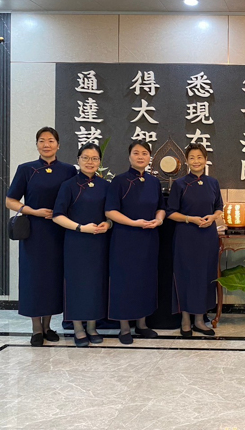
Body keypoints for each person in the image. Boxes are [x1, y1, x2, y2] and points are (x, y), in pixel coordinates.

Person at [5, 127, 77, 346]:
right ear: (37, 144)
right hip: (34, 233)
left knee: (53, 279)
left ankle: (48, 326)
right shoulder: (26, 169)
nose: (47, 144)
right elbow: (10, 200)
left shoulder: (69, 171)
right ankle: (36, 329)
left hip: (59, 233)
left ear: (58, 144)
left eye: (51, 140)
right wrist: (33, 211)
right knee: (34, 279)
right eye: (42, 141)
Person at [105, 140, 166, 344]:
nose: (141, 157)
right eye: (136, 153)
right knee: (125, 282)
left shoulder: (154, 182)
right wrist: (133, 223)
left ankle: (142, 325)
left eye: (144, 153)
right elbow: (110, 211)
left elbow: (161, 207)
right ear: (129, 156)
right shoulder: (119, 181)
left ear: (150, 158)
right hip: (125, 239)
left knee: (145, 280)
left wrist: (159, 220)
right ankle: (124, 328)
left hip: (148, 238)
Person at [52, 143, 111, 347]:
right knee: (77, 285)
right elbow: (57, 216)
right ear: (78, 160)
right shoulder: (68, 185)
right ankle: (78, 328)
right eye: (85, 158)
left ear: (99, 162)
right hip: (76, 242)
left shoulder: (105, 185)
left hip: (99, 243)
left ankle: (92, 327)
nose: (90, 162)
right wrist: (80, 228)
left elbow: (111, 213)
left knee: (96, 284)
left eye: (94, 158)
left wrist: (108, 224)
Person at [167, 144, 223, 337]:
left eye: (200, 157)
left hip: (208, 237)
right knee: (186, 276)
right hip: (186, 236)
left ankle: (200, 320)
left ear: (206, 159)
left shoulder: (213, 183)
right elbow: (170, 213)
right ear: (187, 160)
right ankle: (185, 320)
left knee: (204, 277)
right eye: (192, 157)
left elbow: (219, 208)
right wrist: (190, 219)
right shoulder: (180, 184)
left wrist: (213, 217)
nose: (196, 161)